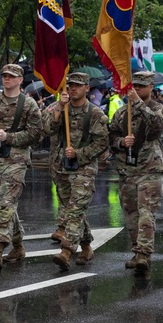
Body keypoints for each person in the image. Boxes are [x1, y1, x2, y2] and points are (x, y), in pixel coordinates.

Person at [42, 72, 109, 271]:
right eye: (70, 85)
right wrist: (60, 108)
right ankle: (86, 246)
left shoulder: (95, 114)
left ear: (87, 88)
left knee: (75, 209)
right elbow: (48, 130)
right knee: (73, 211)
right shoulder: (58, 108)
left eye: (78, 85)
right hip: (61, 167)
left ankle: (67, 251)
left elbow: (102, 142)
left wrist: (79, 154)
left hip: (84, 167)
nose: (73, 89)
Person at [0, 64, 43, 269]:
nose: (6, 79)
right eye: (4, 76)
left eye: (11, 76)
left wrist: (9, 137)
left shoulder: (29, 104)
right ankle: (18, 245)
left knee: (6, 202)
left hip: (17, 160)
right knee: (5, 204)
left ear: (20, 80)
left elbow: (36, 134)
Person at [107, 72, 163, 275]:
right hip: (127, 169)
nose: (136, 90)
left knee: (146, 212)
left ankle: (144, 254)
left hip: (150, 169)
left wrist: (137, 103)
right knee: (131, 215)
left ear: (151, 87)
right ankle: (137, 251)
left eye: (141, 86)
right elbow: (111, 137)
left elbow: (156, 125)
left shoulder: (160, 109)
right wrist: (120, 142)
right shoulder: (121, 113)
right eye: (134, 86)